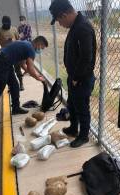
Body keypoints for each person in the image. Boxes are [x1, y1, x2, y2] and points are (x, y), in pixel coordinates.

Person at [49, 0, 96, 148]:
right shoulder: (76, 26)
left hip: (81, 79)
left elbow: (86, 58)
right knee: (72, 104)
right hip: (74, 77)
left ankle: (83, 136)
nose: (60, 24)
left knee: (82, 108)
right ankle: (73, 128)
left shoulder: (83, 28)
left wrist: (76, 78)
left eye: (59, 20)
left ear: (64, 15)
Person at [0, 36, 48, 125]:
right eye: (42, 48)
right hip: (1, 62)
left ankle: (15, 108)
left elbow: (22, 64)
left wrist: (31, 72)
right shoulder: (31, 49)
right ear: (39, 44)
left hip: (5, 61)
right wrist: (38, 78)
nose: (40, 50)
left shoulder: (26, 44)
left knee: (14, 85)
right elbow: (30, 67)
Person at [0, 16, 25, 91]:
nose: (7, 25)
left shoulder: (14, 29)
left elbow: (18, 39)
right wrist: (6, 41)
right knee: (8, 71)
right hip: (5, 54)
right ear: (3, 23)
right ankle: (10, 86)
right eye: (5, 23)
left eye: (8, 23)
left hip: (15, 53)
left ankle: (21, 83)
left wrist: (15, 42)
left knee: (17, 69)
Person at [17, 15, 33, 90]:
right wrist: (20, 37)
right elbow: (18, 36)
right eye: (20, 19)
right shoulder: (19, 27)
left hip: (28, 45)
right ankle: (28, 71)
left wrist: (21, 37)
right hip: (21, 46)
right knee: (23, 62)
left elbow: (28, 35)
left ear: (25, 19)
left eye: (23, 19)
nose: (21, 21)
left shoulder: (28, 26)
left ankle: (29, 71)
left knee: (27, 61)